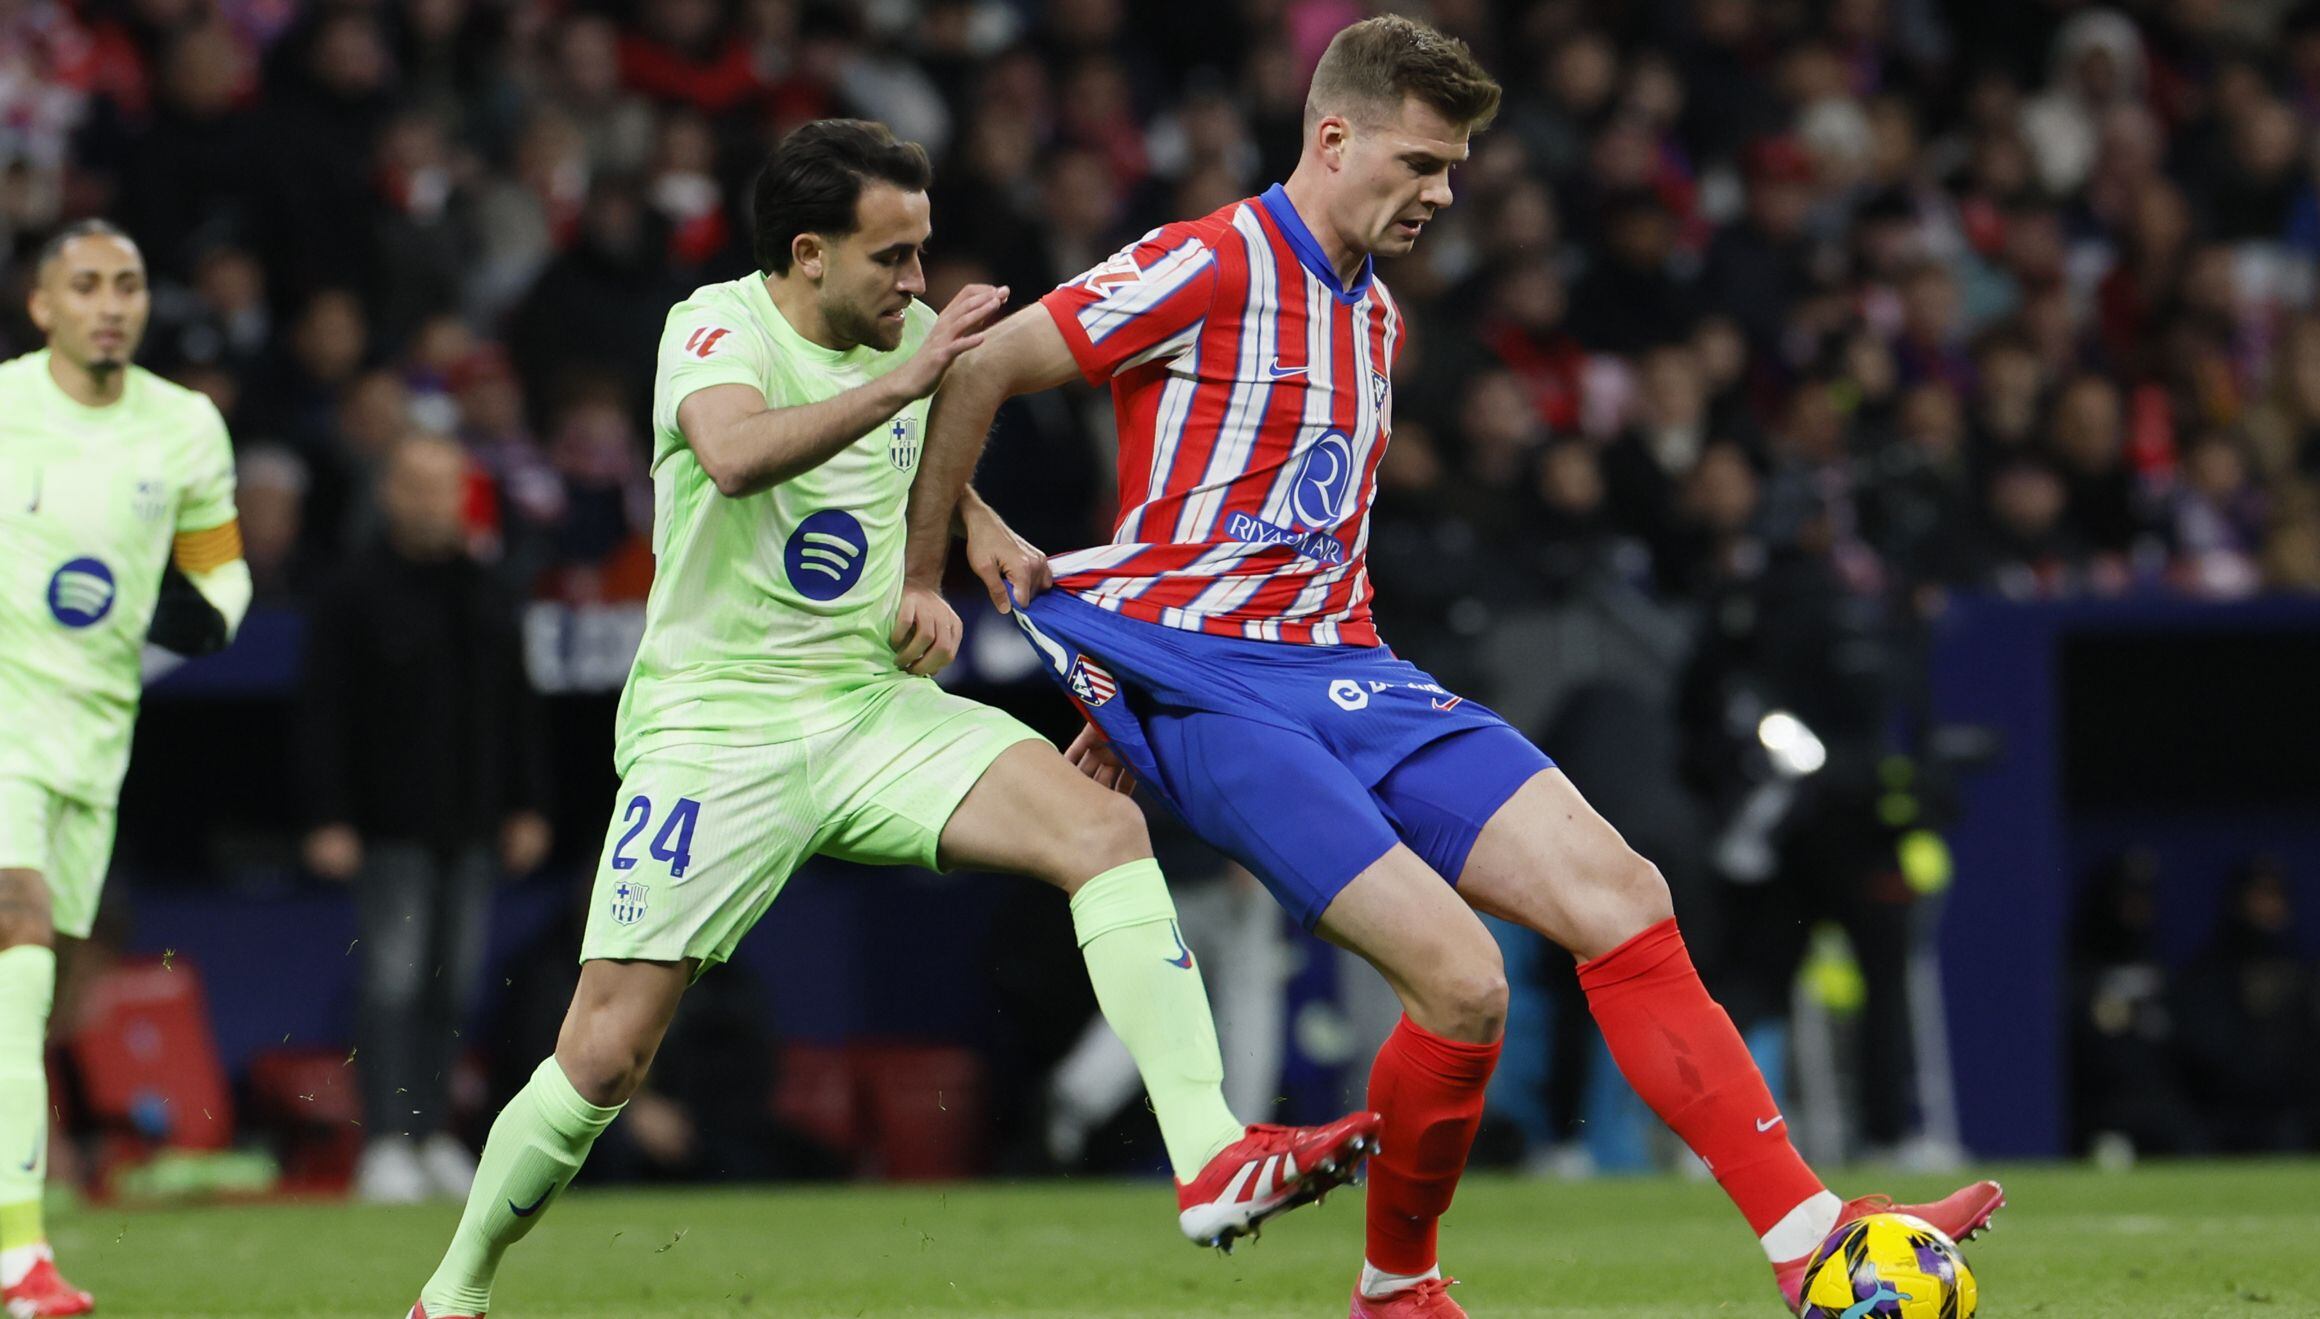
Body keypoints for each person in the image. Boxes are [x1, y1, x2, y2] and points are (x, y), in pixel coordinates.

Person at [899, 18, 2003, 1317]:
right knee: (1465, 981)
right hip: (1216, 687)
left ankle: (1807, 1233)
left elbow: (1282, 532)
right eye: (1420, 162)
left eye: (1454, 167)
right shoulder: (1210, 259)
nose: (1442, 193)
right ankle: (1400, 1288)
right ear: (1334, 138)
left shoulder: (1373, 318)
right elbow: (977, 365)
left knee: (1623, 893)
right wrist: (939, 557)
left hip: (1344, 664)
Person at [406, 120, 1377, 1319]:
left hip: (871, 708)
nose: (916, 284)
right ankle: (453, 1291)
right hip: (718, 727)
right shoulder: (716, 328)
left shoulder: (902, 340)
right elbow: (734, 454)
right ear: (808, 253)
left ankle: (1210, 1154)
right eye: (892, 257)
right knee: (606, 1050)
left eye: (922, 252)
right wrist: (908, 382)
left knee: (1102, 830)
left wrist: (974, 521)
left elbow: (923, 443)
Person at [0, 220, 251, 1318]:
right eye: (87, 285)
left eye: (129, 285)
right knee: (17, 952)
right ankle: (22, 1259)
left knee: (34, 993)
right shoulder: (5, 408)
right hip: (3, 727)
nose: (110, 304)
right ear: (42, 305)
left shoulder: (185, 424)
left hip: (94, 740)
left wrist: (189, 615)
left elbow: (222, 573)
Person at [298, 433, 555, 1203]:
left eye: (447, 486)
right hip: (388, 828)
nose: (433, 502)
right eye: (417, 485)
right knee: (393, 984)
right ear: (389, 493)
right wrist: (327, 814)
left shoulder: (486, 589)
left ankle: (433, 1131)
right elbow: (320, 714)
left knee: (455, 986)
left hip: (470, 825)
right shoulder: (351, 592)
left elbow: (518, 708)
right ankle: (385, 1140)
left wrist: (527, 802)